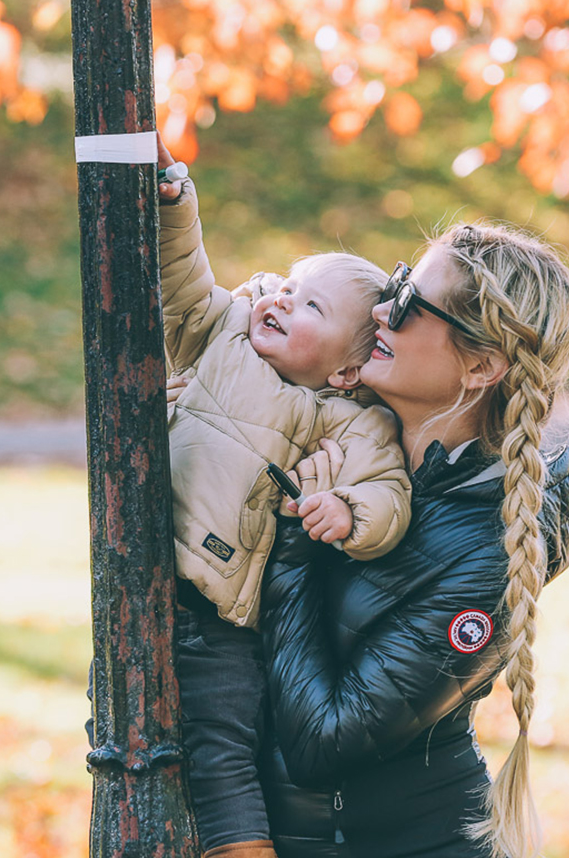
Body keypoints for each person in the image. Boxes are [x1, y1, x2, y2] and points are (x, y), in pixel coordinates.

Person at [256, 225, 569, 858]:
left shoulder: (491, 551)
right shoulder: (339, 428)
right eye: (397, 282)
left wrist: (296, 540)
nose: (382, 309)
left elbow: (323, 743)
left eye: (410, 303)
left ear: (482, 366)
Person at [156, 139, 411, 858]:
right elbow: (182, 281)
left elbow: (386, 492)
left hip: (220, 612)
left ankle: (242, 849)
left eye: (308, 307)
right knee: (120, 734)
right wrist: (176, 204)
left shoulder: (349, 419)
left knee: (221, 749)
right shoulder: (224, 332)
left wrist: (348, 513)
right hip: (139, 585)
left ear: (346, 370)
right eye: (287, 286)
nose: (278, 300)